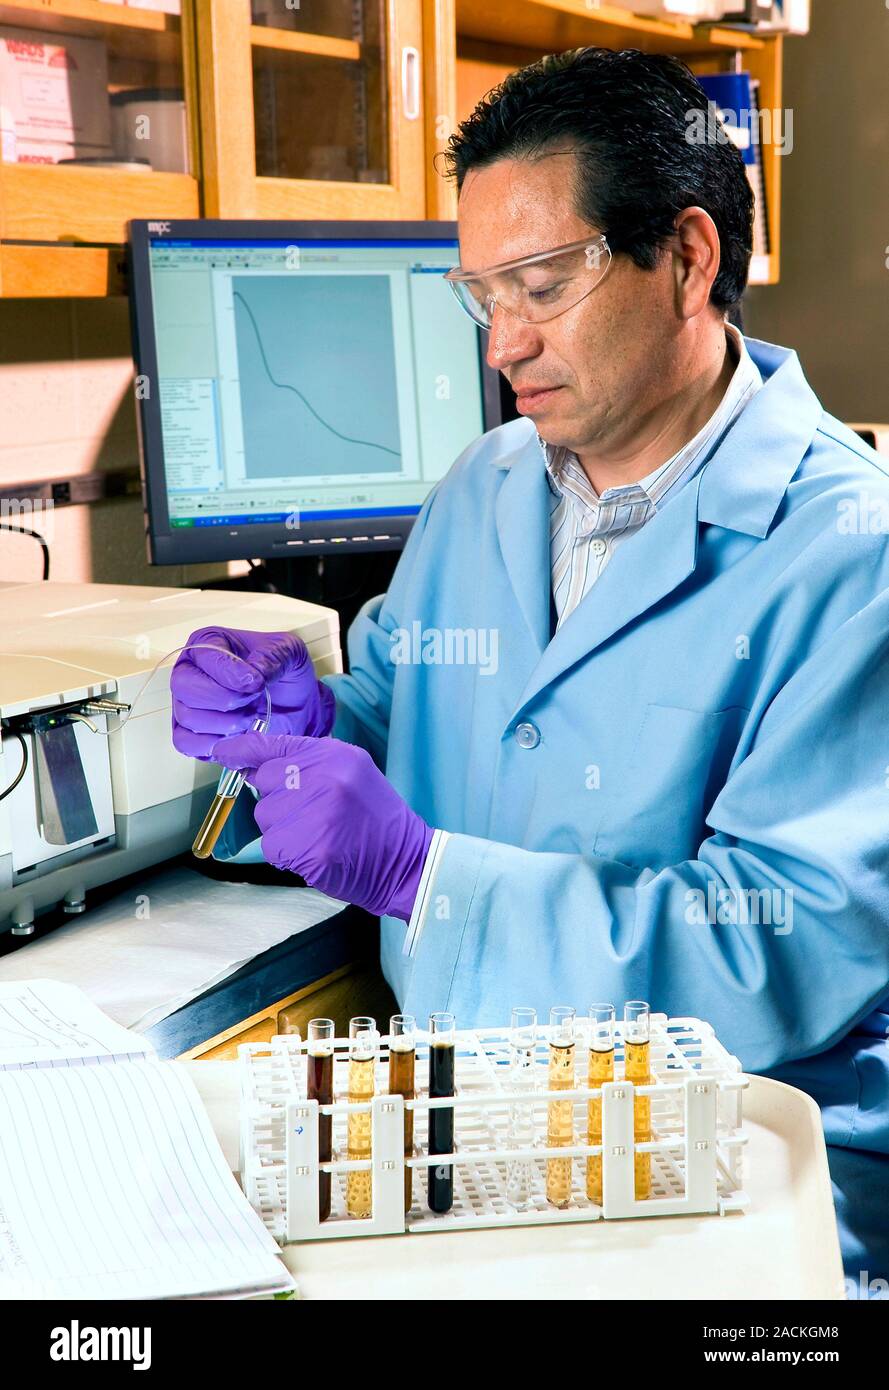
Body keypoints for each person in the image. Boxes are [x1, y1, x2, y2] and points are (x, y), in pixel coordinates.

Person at [171, 48, 889, 1296]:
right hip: (477, 1133)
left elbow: (776, 951)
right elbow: (406, 708)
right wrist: (300, 721)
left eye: (543, 284)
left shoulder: (849, 556)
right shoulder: (489, 485)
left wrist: (422, 876)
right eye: (479, 294)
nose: (503, 343)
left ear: (690, 259)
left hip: (730, 1185)